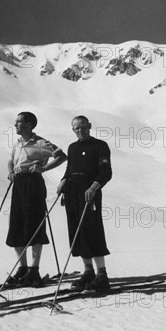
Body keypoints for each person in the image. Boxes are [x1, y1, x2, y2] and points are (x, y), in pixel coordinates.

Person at [6, 111, 67, 286]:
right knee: (17, 223)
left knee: (34, 223)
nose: (16, 125)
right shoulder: (18, 143)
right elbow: (11, 160)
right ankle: (23, 268)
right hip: (18, 183)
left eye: (19, 122)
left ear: (30, 125)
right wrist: (10, 171)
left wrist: (44, 168)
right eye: (16, 121)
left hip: (33, 184)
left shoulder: (40, 143)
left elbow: (61, 156)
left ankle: (34, 269)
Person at [57, 115, 112, 291]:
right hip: (72, 192)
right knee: (77, 230)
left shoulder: (100, 146)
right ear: (73, 130)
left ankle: (101, 274)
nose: (80, 131)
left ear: (89, 126)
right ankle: (88, 271)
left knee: (92, 230)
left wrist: (94, 187)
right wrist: (63, 180)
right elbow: (69, 169)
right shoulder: (72, 147)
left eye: (83, 127)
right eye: (76, 128)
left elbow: (106, 172)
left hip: (90, 193)